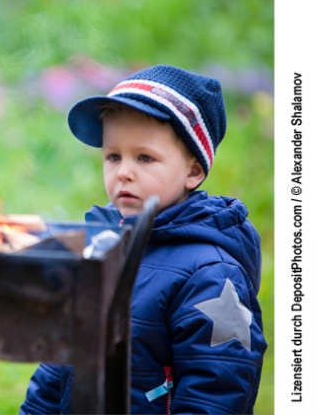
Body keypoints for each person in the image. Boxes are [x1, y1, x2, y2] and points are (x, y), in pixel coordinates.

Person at [19, 65, 267, 414]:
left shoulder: (211, 273)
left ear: (193, 171)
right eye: (113, 156)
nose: (123, 172)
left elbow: (217, 392)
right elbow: (58, 365)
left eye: (145, 157)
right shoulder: (98, 247)